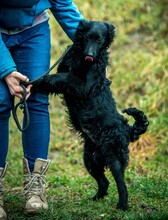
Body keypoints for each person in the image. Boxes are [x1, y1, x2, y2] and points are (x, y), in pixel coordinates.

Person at [0, 0, 84, 218]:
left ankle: (35, 185)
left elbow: (63, 6)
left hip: (34, 31)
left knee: (36, 98)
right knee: (0, 102)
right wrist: (6, 69)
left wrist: (95, 52)